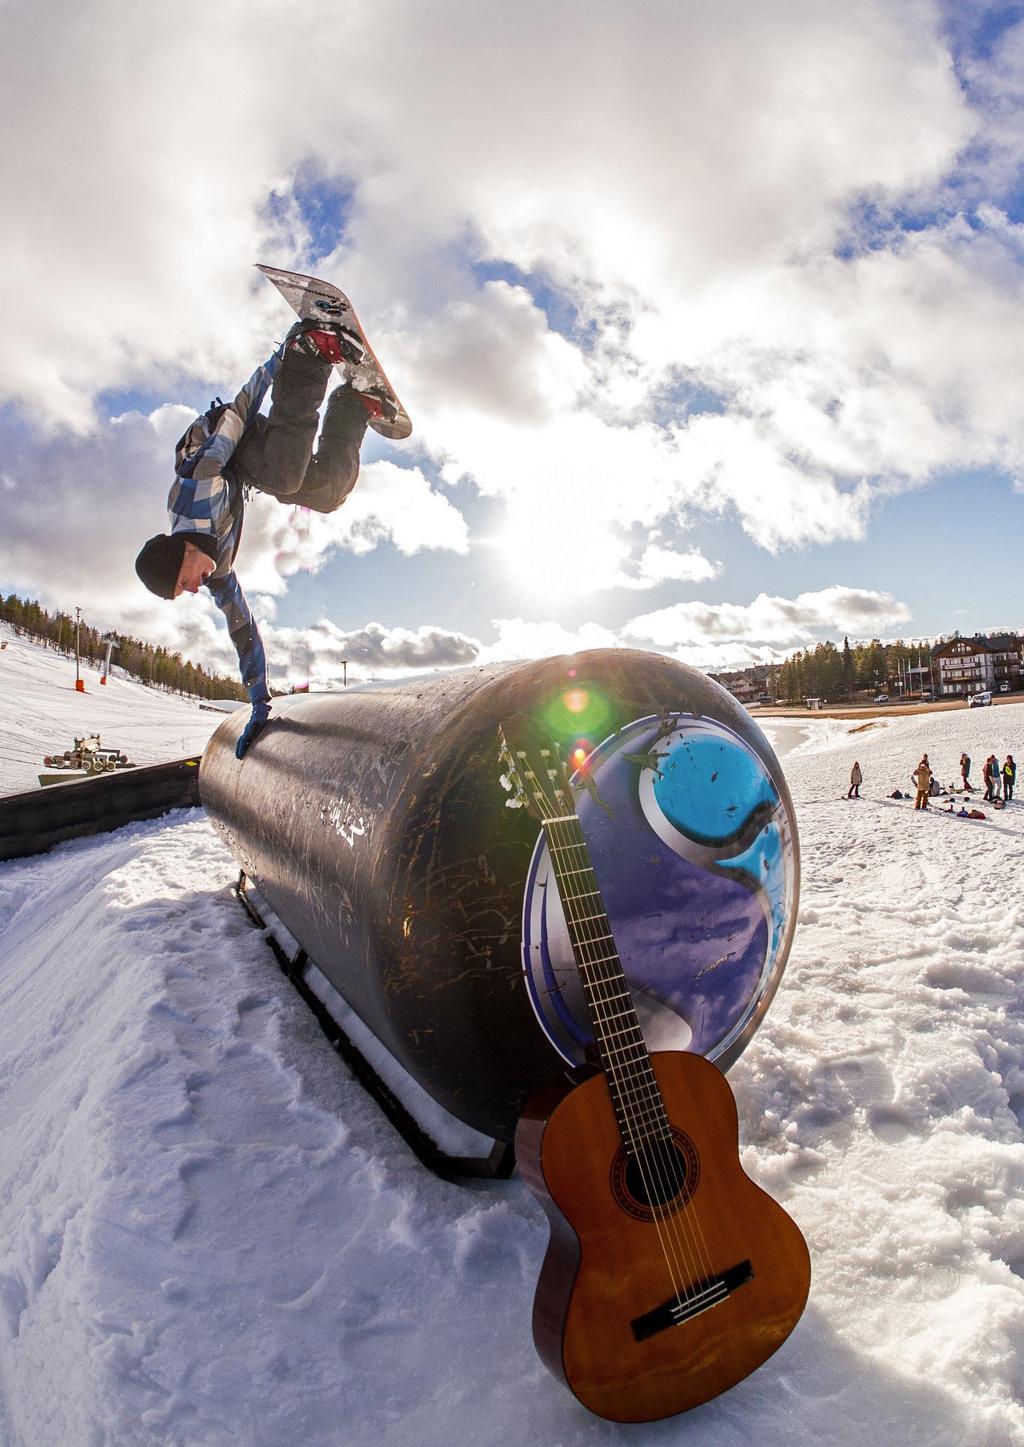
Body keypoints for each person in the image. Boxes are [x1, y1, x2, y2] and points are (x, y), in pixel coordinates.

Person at [134, 320, 391, 757]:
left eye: (184, 583)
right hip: (247, 466)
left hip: (220, 440)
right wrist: (259, 702)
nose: (195, 588)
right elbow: (243, 633)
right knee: (325, 495)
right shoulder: (219, 572)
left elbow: (237, 414)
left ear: (180, 555)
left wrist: (280, 361)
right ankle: (352, 407)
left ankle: (308, 353)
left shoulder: (195, 494)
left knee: (286, 476)